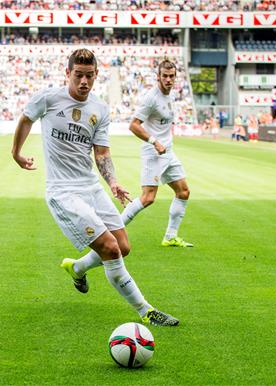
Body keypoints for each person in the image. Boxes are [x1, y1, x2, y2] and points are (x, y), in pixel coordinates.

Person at [12, 49, 179, 327]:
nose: (84, 82)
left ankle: (77, 268)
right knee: (110, 249)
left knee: (123, 246)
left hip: (91, 186)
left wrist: (112, 181)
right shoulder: (49, 98)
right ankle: (146, 311)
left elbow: (101, 152)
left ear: (97, 75)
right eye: (78, 75)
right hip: (63, 192)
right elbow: (26, 119)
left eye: (89, 76)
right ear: (68, 73)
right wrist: (16, 153)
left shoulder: (100, 109)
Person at [120, 60, 193, 247]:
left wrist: (163, 144)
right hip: (153, 152)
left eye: (172, 76)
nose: (168, 80)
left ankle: (170, 236)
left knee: (183, 192)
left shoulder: (170, 96)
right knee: (148, 198)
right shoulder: (151, 97)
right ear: (158, 76)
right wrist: (154, 142)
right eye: (165, 76)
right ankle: (114, 231)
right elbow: (133, 125)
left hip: (168, 152)